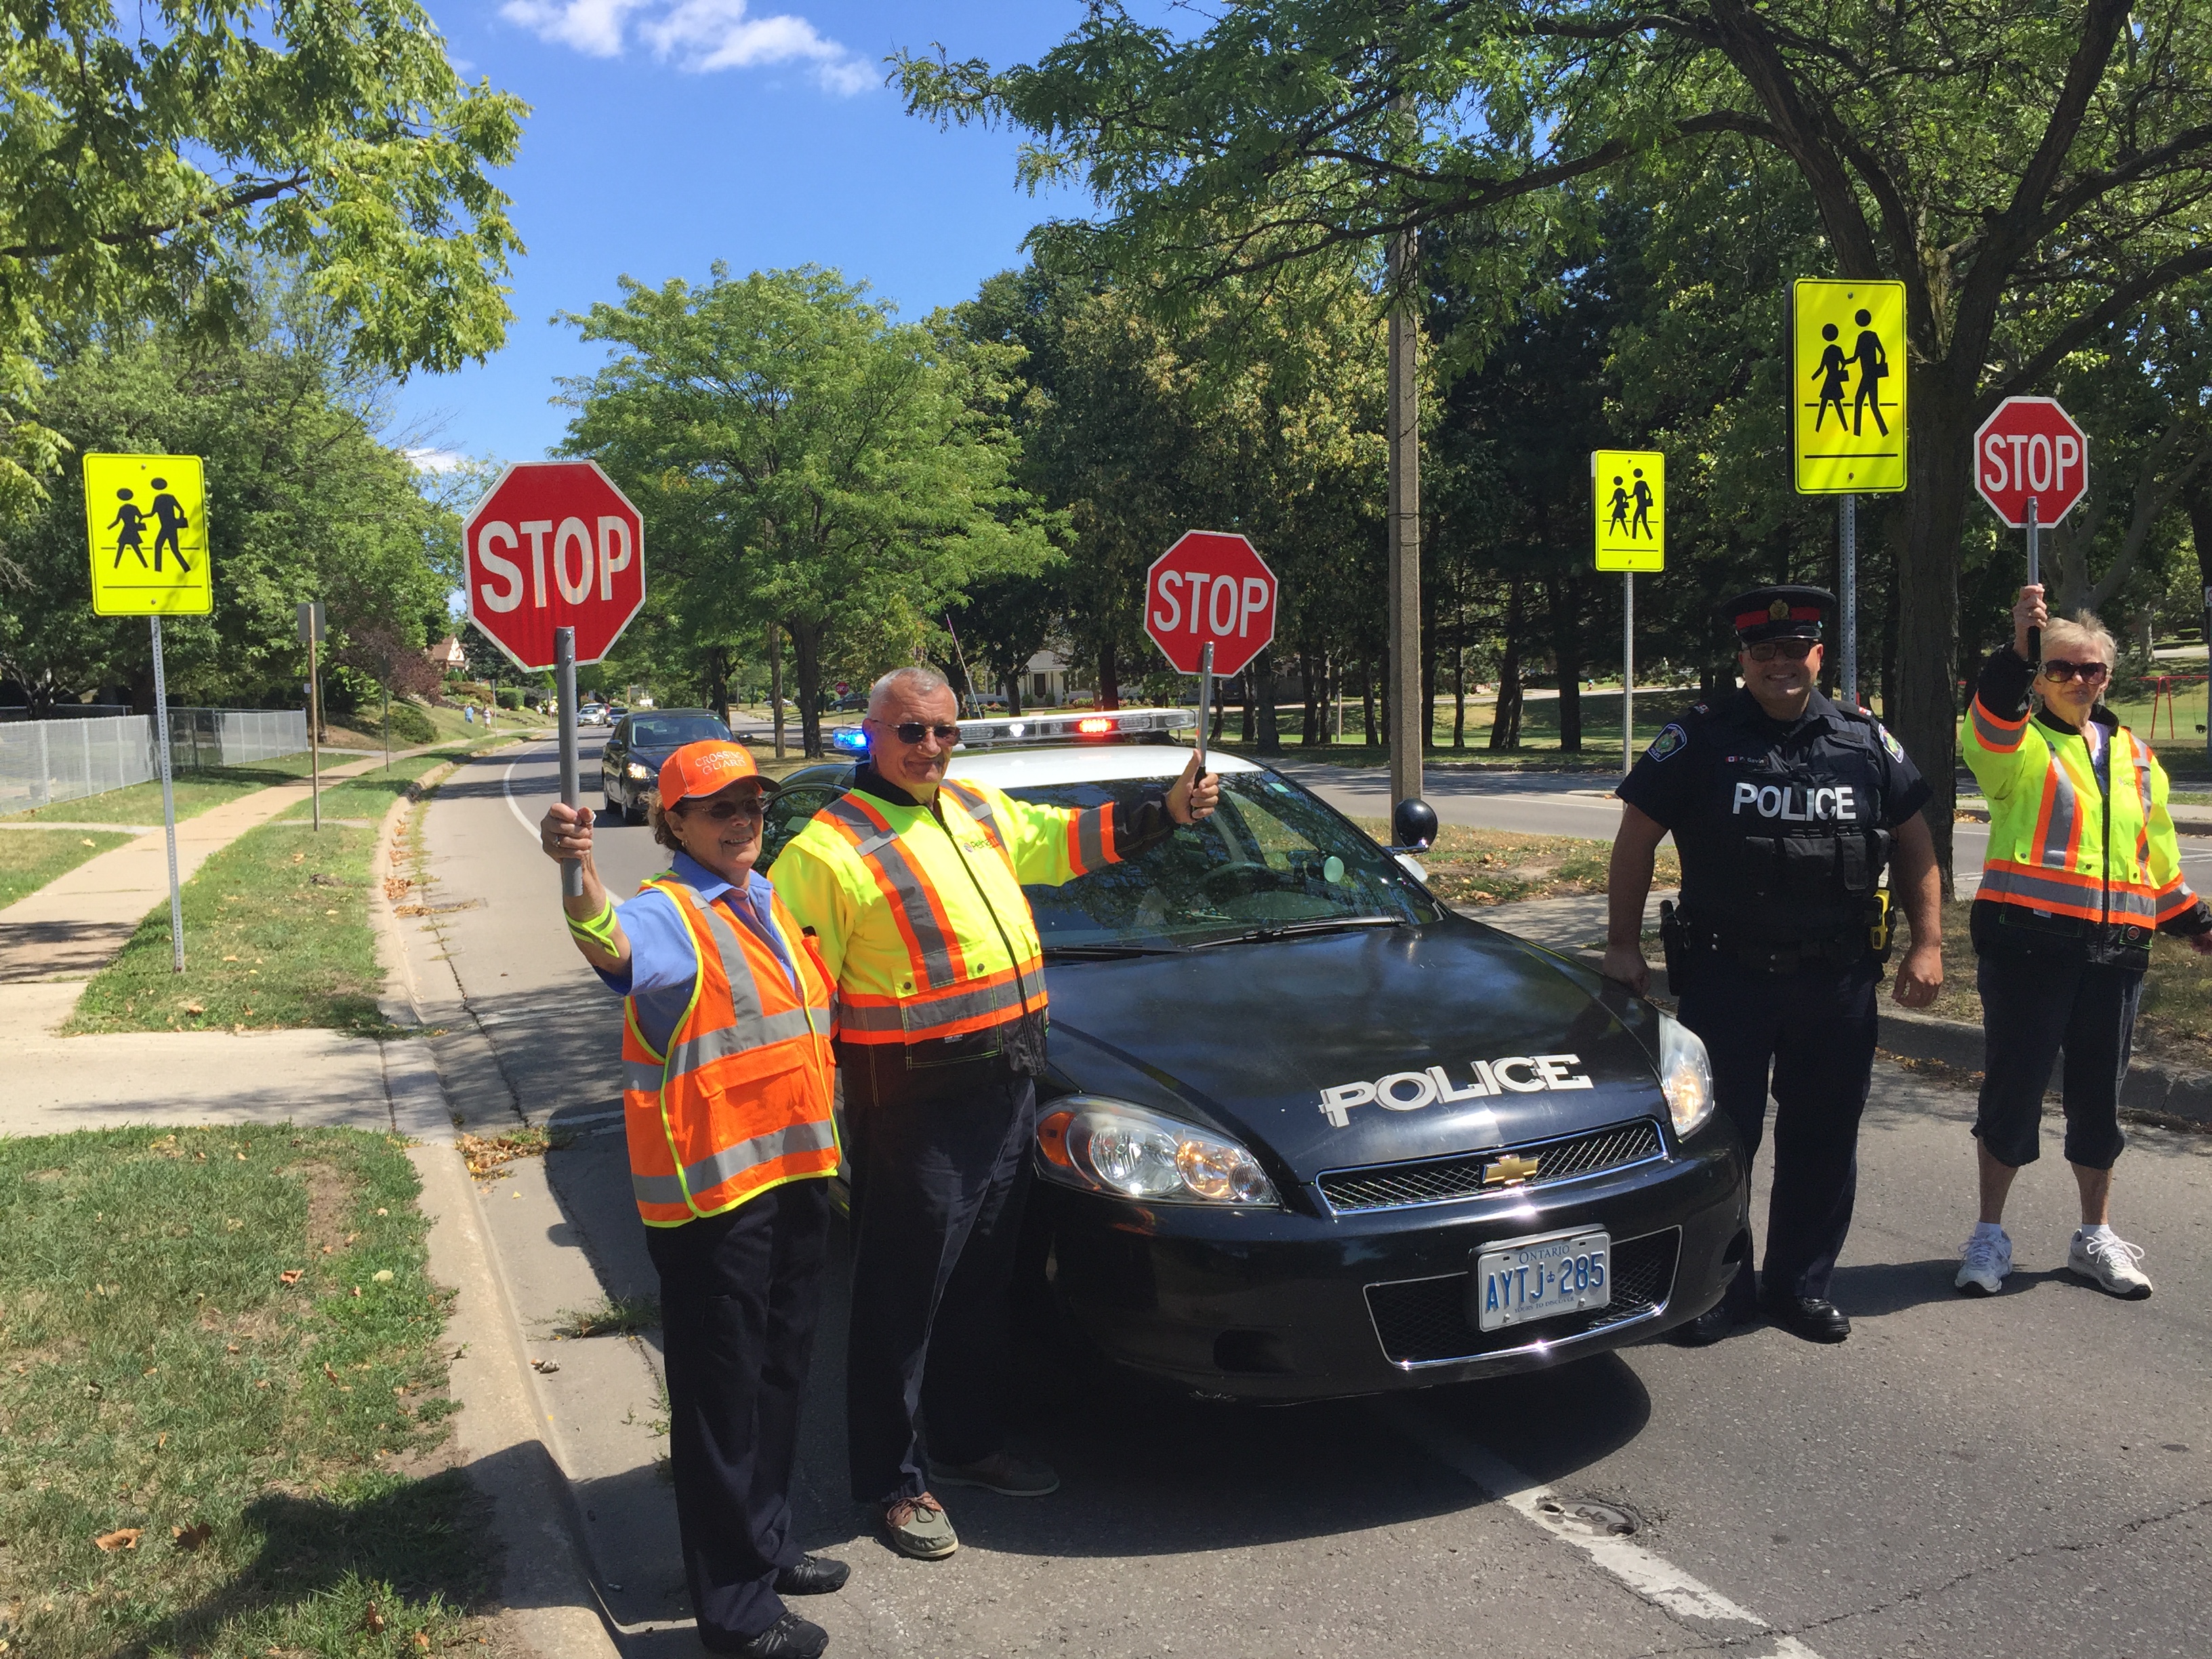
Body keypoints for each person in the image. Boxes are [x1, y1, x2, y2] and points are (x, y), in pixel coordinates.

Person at [770, 666, 1218, 1563]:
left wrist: (1161, 812)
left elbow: (1062, 841)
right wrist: (807, 1124)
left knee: (982, 1283)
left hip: (1009, 1092)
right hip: (913, 1112)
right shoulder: (825, 852)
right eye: (910, 732)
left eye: (943, 731)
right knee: (903, 1302)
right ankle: (893, 1486)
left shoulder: (973, 810)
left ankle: (968, 1445)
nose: (929, 747)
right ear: (871, 734)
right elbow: (790, 1001)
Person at [539, 741, 846, 1659]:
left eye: (751, 802)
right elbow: (611, 946)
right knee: (724, 1406)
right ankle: (737, 1616)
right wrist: (576, 873)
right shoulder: (668, 914)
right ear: (674, 822)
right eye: (718, 808)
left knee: (782, 1376)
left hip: (793, 1180)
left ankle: (770, 1543)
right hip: (713, 1207)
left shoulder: (764, 899)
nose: (741, 819)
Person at [1601, 586, 1944, 1345]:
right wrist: (1622, 945)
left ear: (1819, 656)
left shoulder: (1863, 740)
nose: (1781, 665)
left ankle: (1799, 1287)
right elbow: (1635, 842)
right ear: (1744, 660)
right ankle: (1723, 1288)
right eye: (1765, 653)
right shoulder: (1699, 737)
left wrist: (1928, 943)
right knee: (1726, 1139)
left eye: (1796, 651)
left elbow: (1915, 841)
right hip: (1730, 978)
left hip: (1838, 979)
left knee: (1825, 1137)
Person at [1954, 588, 2212, 1300]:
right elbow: (1991, 719)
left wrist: (2192, 923)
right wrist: (2016, 646)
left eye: (2092, 669)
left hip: (2117, 955)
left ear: (2108, 676)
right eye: (2062, 668)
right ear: (2041, 677)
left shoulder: (2135, 757)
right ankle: (1989, 1235)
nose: (2079, 680)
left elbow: (2154, 857)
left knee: (2100, 1101)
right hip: (2029, 951)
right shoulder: (2016, 742)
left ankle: (2093, 1237)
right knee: (2014, 1095)